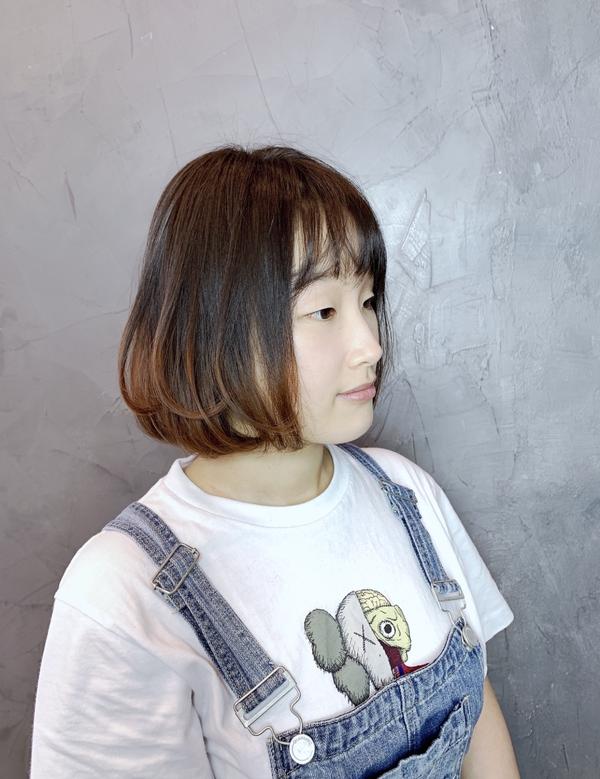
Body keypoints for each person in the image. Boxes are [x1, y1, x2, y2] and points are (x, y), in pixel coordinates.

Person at [30, 144, 521, 778]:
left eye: (368, 301)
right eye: (324, 311)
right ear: (217, 326)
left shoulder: (407, 494)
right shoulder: (122, 593)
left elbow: (476, 713)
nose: (370, 346)